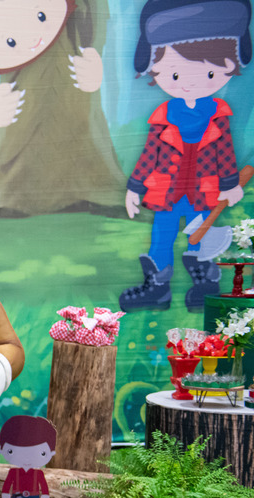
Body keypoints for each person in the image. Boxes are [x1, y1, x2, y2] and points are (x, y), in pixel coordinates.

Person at [119, 0, 250, 312]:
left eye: (209, 71)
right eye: (175, 74)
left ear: (230, 65)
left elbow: (225, 154)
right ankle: (157, 288)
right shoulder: (163, 116)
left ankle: (204, 286)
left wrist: (230, 185)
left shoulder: (218, 115)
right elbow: (149, 155)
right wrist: (135, 187)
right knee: (161, 238)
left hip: (202, 193)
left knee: (200, 239)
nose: (190, 82)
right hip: (166, 192)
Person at [0, 415, 57, 498]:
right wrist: (5, 492)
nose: (26, 458)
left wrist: (45, 494)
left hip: (34, 496)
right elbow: (8, 482)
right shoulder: (13, 472)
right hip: (17, 494)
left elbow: (43, 484)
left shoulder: (38, 473)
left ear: (51, 453)